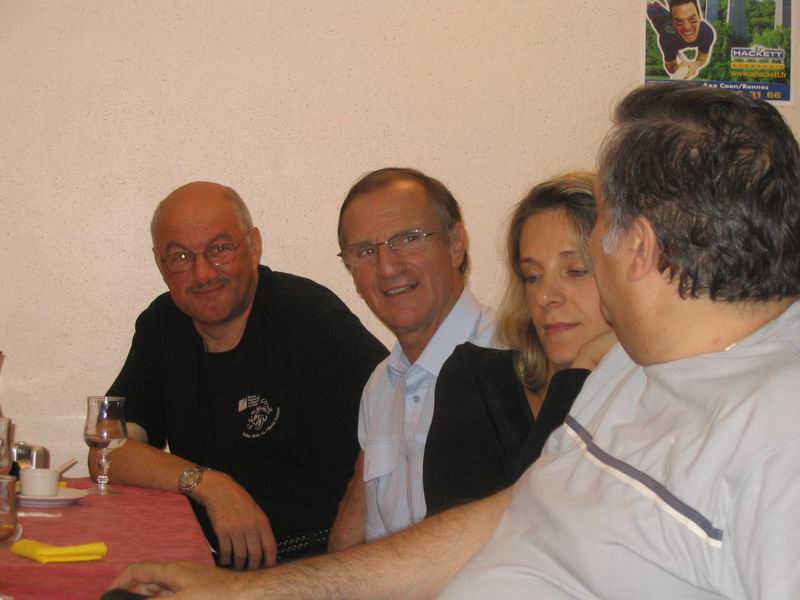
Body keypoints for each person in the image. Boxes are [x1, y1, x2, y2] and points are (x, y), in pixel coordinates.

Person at [112, 83, 800, 599]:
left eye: (592, 240)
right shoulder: (624, 371)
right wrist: (246, 593)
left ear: (639, 246)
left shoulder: (779, 431)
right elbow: (496, 520)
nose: (555, 290)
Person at [92, 181, 387, 570]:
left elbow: (394, 413)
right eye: (180, 256)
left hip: (317, 559)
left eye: (219, 249)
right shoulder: (163, 324)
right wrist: (210, 485)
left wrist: (345, 550)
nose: (202, 273)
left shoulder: (307, 316)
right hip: (214, 566)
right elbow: (107, 451)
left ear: (254, 246)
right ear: (161, 266)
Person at [327, 168, 498, 549]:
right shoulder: (379, 387)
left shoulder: (516, 362)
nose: (388, 267)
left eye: (408, 239)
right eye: (365, 251)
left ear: (456, 244)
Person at [424, 173, 614, 514]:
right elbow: (505, 528)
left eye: (575, 270)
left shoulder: (650, 397)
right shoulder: (478, 379)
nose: (544, 296)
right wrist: (577, 372)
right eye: (532, 276)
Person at [647, 0, 716, 80]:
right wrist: (678, 69)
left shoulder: (706, 33)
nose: (687, 28)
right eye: (679, 22)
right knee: (653, 12)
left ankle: (657, 5)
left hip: (669, 17)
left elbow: (702, 57)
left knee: (665, 12)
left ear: (699, 18)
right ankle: (650, 5)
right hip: (662, 24)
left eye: (692, 20)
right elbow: (670, 67)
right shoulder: (667, 37)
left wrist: (695, 65)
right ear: (672, 23)